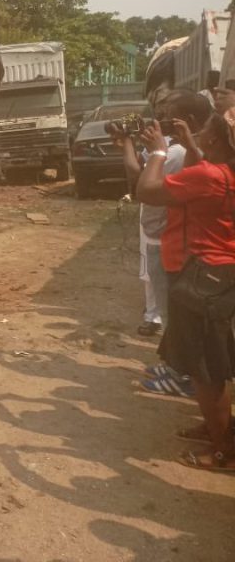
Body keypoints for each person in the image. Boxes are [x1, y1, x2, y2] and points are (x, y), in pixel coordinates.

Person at [136, 113, 235, 471]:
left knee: (207, 370)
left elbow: (146, 191)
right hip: (219, 274)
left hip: (203, 277)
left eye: (207, 128)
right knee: (207, 363)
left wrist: (159, 153)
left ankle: (224, 450)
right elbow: (203, 172)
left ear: (218, 141)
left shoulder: (209, 177)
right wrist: (191, 145)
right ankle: (216, 430)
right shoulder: (222, 173)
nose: (199, 131)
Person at [115, 91, 213, 344]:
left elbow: (141, 187)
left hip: (168, 235)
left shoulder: (177, 153)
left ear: (188, 121)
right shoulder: (185, 150)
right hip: (173, 235)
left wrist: (157, 153)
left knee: (174, 305)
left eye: (169, 118)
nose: (162, 123)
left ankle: (179, 369)